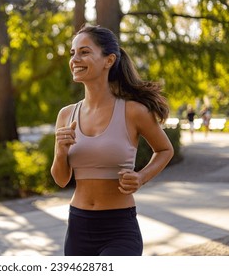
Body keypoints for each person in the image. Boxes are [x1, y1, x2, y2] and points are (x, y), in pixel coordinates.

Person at [50, 25, 174, 256]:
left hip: (119, 228)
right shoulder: (66, 115)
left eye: (84, 52)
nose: (75, 59)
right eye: (72, 53)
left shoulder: (133, 111)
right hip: (78, 226)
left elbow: (165, 150)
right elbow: (60, 179)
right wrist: (60, 151)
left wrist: (141, 177)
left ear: (109, 60)